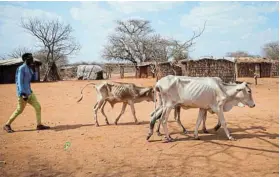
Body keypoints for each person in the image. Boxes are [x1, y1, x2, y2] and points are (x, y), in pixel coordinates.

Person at [3, 53, 50, 133]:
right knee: (19, 110)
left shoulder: (29, 68)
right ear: (26, 60)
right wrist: (22, 93)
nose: (32, 60)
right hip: (23, 94)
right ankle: (7, 125)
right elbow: (19, 82)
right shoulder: (21, 68)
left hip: (30, 93)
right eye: (30, 59)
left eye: (32, 58)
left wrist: (34, 69)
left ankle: (39, 125)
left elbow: (34, 79)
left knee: (38, 107)